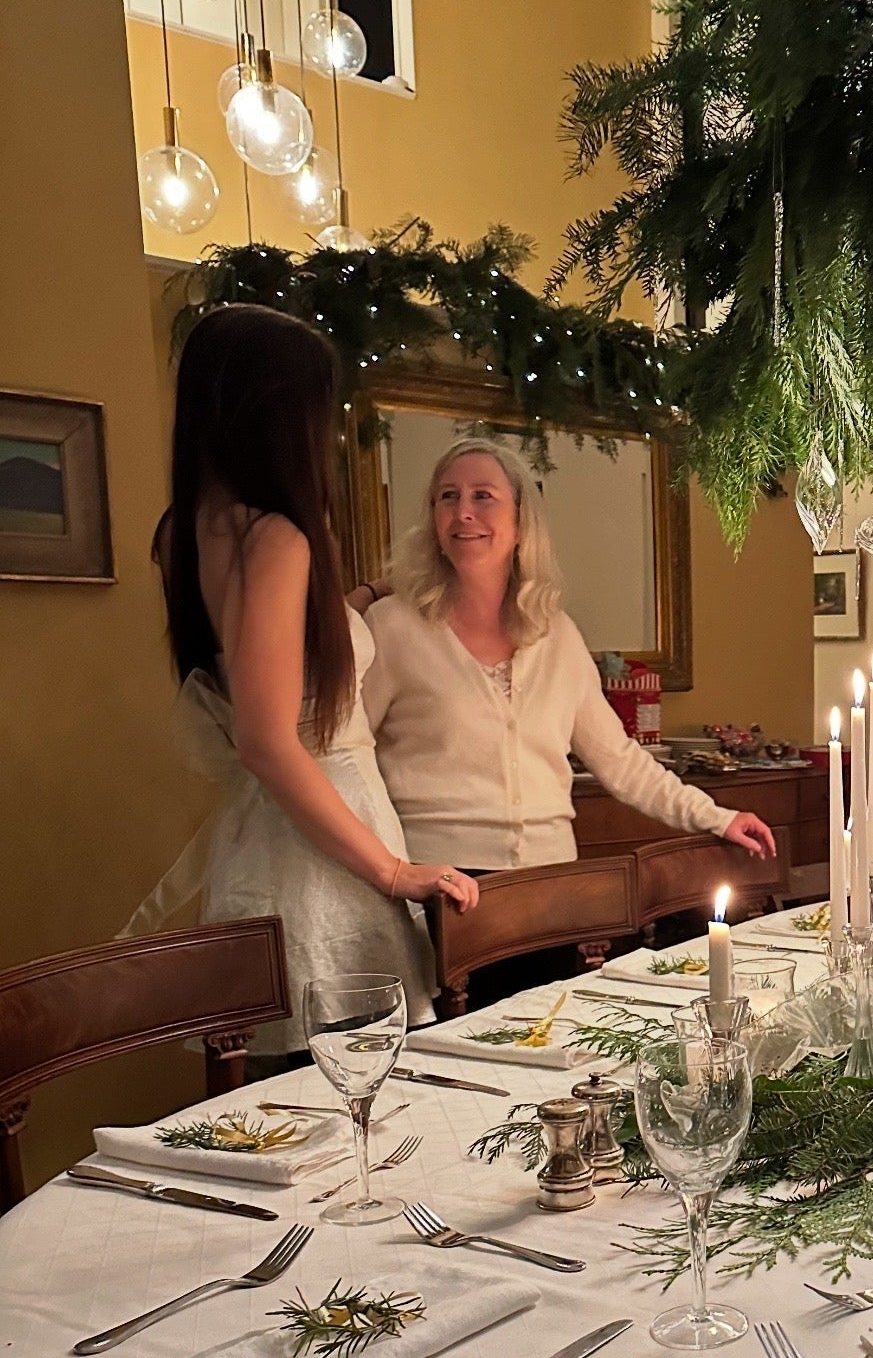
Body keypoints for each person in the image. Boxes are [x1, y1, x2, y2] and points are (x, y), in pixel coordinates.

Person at [147, 305, 479, 1060]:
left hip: (267, 844)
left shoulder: (191, 526)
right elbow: (269, 737)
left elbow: (260, 654)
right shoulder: (277, 535)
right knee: (349, 1102)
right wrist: (393, 871)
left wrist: (357, 601)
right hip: (323, 861)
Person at [361, 437, 776, 876]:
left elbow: (620, 761)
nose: (463, 511)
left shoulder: (556, 634)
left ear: (521, 523)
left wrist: (717, 817)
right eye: (448, 496)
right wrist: (385, 867)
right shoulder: (392, 627)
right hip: (436, 878)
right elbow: (346, 758)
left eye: (483, 496)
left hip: (550, 880)